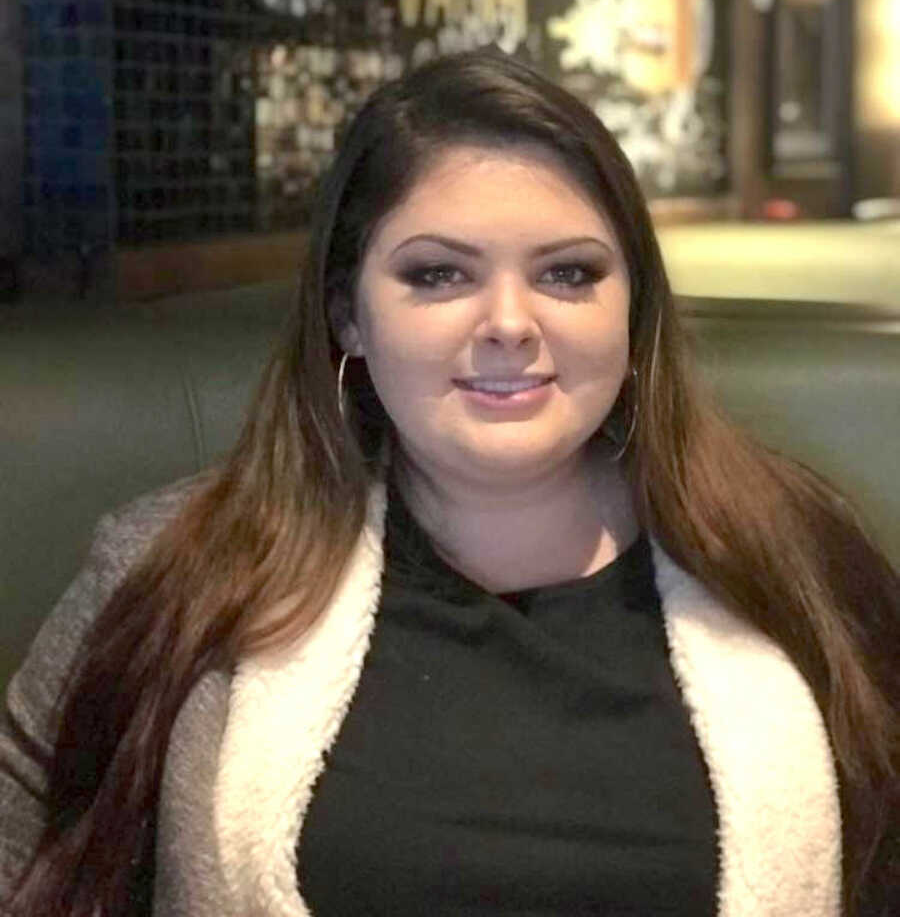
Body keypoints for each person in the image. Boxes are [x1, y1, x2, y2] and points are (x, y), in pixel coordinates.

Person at [0, 49, 897, 917]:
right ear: (348, 312)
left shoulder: (800, 555)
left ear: (634, 311)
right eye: (438, 274)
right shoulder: (170, 571)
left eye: (568, 273)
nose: (509, 322)